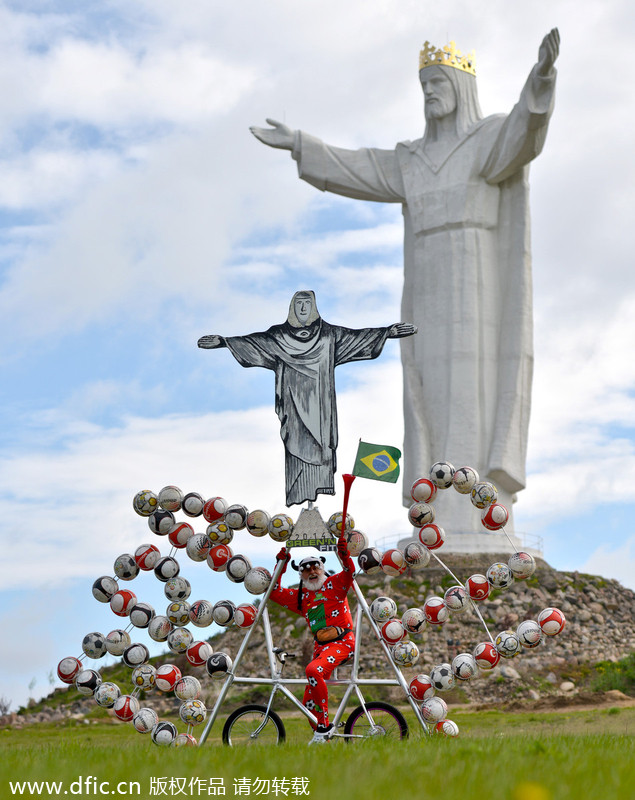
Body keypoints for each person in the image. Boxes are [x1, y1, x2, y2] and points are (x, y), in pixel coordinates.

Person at [250, 31, 560, 534]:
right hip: (427, 287)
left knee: (473, 390)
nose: (430, 93)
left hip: (477, 281)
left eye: (438, 82)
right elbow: (361, 168)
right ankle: (436, 508)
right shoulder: (412, 160)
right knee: (426, 390)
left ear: (461, 87)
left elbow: (524, 132)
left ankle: (480, 511)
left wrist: (541, 78)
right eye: (424, 85)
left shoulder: (486, 140)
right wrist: (301, 145)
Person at [198, 290, 415, 507]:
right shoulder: (278, 337)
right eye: (299, 304)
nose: (303, 308)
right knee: (295, 445)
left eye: (307, 304)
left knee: (321, 448)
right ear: (292, 307)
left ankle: (316, 492)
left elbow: (358, 338)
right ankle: (301, 494)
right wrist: (224, 342)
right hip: (292, 404)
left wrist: (387, 332)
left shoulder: (328, 336)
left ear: (314, 308)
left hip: (321, 407)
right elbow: (255, 343)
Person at [269, 537, 355, 744]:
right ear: (301, 575)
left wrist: (344, 554)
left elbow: (350, 572)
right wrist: (280, 565)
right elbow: (273, 591)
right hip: (321, 650)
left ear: (323, 568)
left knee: (312, 670)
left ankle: (325, 726)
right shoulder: (301, 597)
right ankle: (324, 737)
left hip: (342, 643)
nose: (312, 571)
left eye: (316, 566)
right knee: (308, 706)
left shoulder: (335, 584)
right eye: (306, 569)